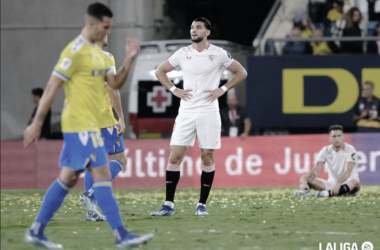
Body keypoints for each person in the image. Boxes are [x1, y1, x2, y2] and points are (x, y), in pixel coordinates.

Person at [23, 3, 153, 249]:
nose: (108, 32)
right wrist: (38, 122)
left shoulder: (98, 54)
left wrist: (129, 60)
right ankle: (121, 235)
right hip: (79, 124)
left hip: (91, 125)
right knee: (102, 174)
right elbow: (51, 87)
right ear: (92, 25)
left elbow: (114, 82)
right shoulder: (74, 52)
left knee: (69, 177)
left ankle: (37, 230)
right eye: (105, 27)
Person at [150, 17, 247, 216]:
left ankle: (201, 205)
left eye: (198, 27)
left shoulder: (218, 53)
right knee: (175, 155)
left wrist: (223, 89)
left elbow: (241, 72)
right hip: (186, 111)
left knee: (207, 156)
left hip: (208, 111)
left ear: (208, 32)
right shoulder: (182, 53)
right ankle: (168, 204)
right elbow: (160, 71)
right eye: (192, 27)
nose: (194, 30)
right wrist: (173, 89)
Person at [78, 33, 131, 222]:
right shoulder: (105, 57)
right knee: (120, 158)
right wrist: (121, 117)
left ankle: (90, 212)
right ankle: (92, 195)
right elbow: (112, 88)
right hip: (102, 118)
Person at [293, 125, 361, 198]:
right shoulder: (325, 150)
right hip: (331, 185)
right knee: (304, 177)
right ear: (329, 138)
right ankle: (305, 192)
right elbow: (316, 170)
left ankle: (327, 194)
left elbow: (347, 173)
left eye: (339, 136)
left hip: (348, 185)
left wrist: (338, 183)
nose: (337, 138)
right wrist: (306, 180)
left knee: (355, 182)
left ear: (343, 137)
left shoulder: (350, 150)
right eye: (334, 136)